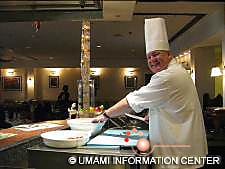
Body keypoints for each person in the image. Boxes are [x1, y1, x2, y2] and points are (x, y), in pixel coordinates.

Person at [93, 18, 208, 169]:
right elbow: (172, 104)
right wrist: (153, 113)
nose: (152, 60)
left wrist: (105, 115)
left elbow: (131, 102)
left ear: (168, 54)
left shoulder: (167, 77)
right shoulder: (176, 71)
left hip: (178, 156)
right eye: (149, 57)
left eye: (156, 54)